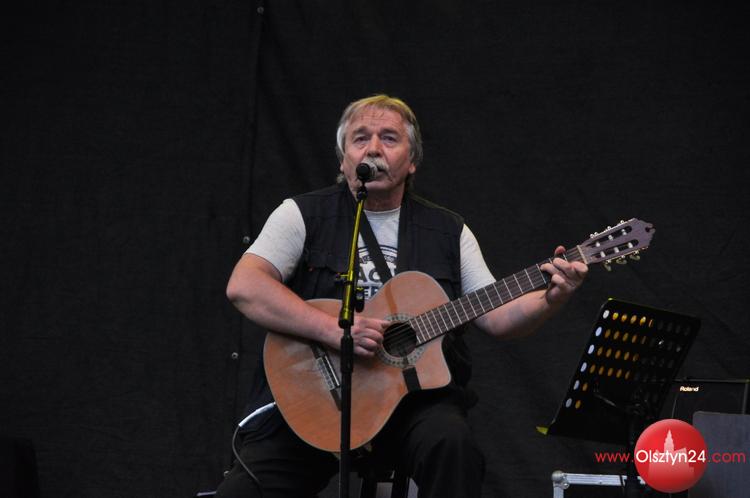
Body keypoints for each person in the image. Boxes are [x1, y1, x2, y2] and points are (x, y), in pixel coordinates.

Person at [217, 94, 588, 498]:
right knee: (242, 493)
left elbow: (498, 318)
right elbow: (245, 285)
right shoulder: (301, 215)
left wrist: (551, 298)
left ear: (412, 161)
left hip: (411, 402)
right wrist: (333, 330)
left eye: (389, 138)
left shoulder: (449, 232)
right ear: (343, 159)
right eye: (360, 138)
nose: (373, 148)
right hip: (315, 398)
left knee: (453, 446)